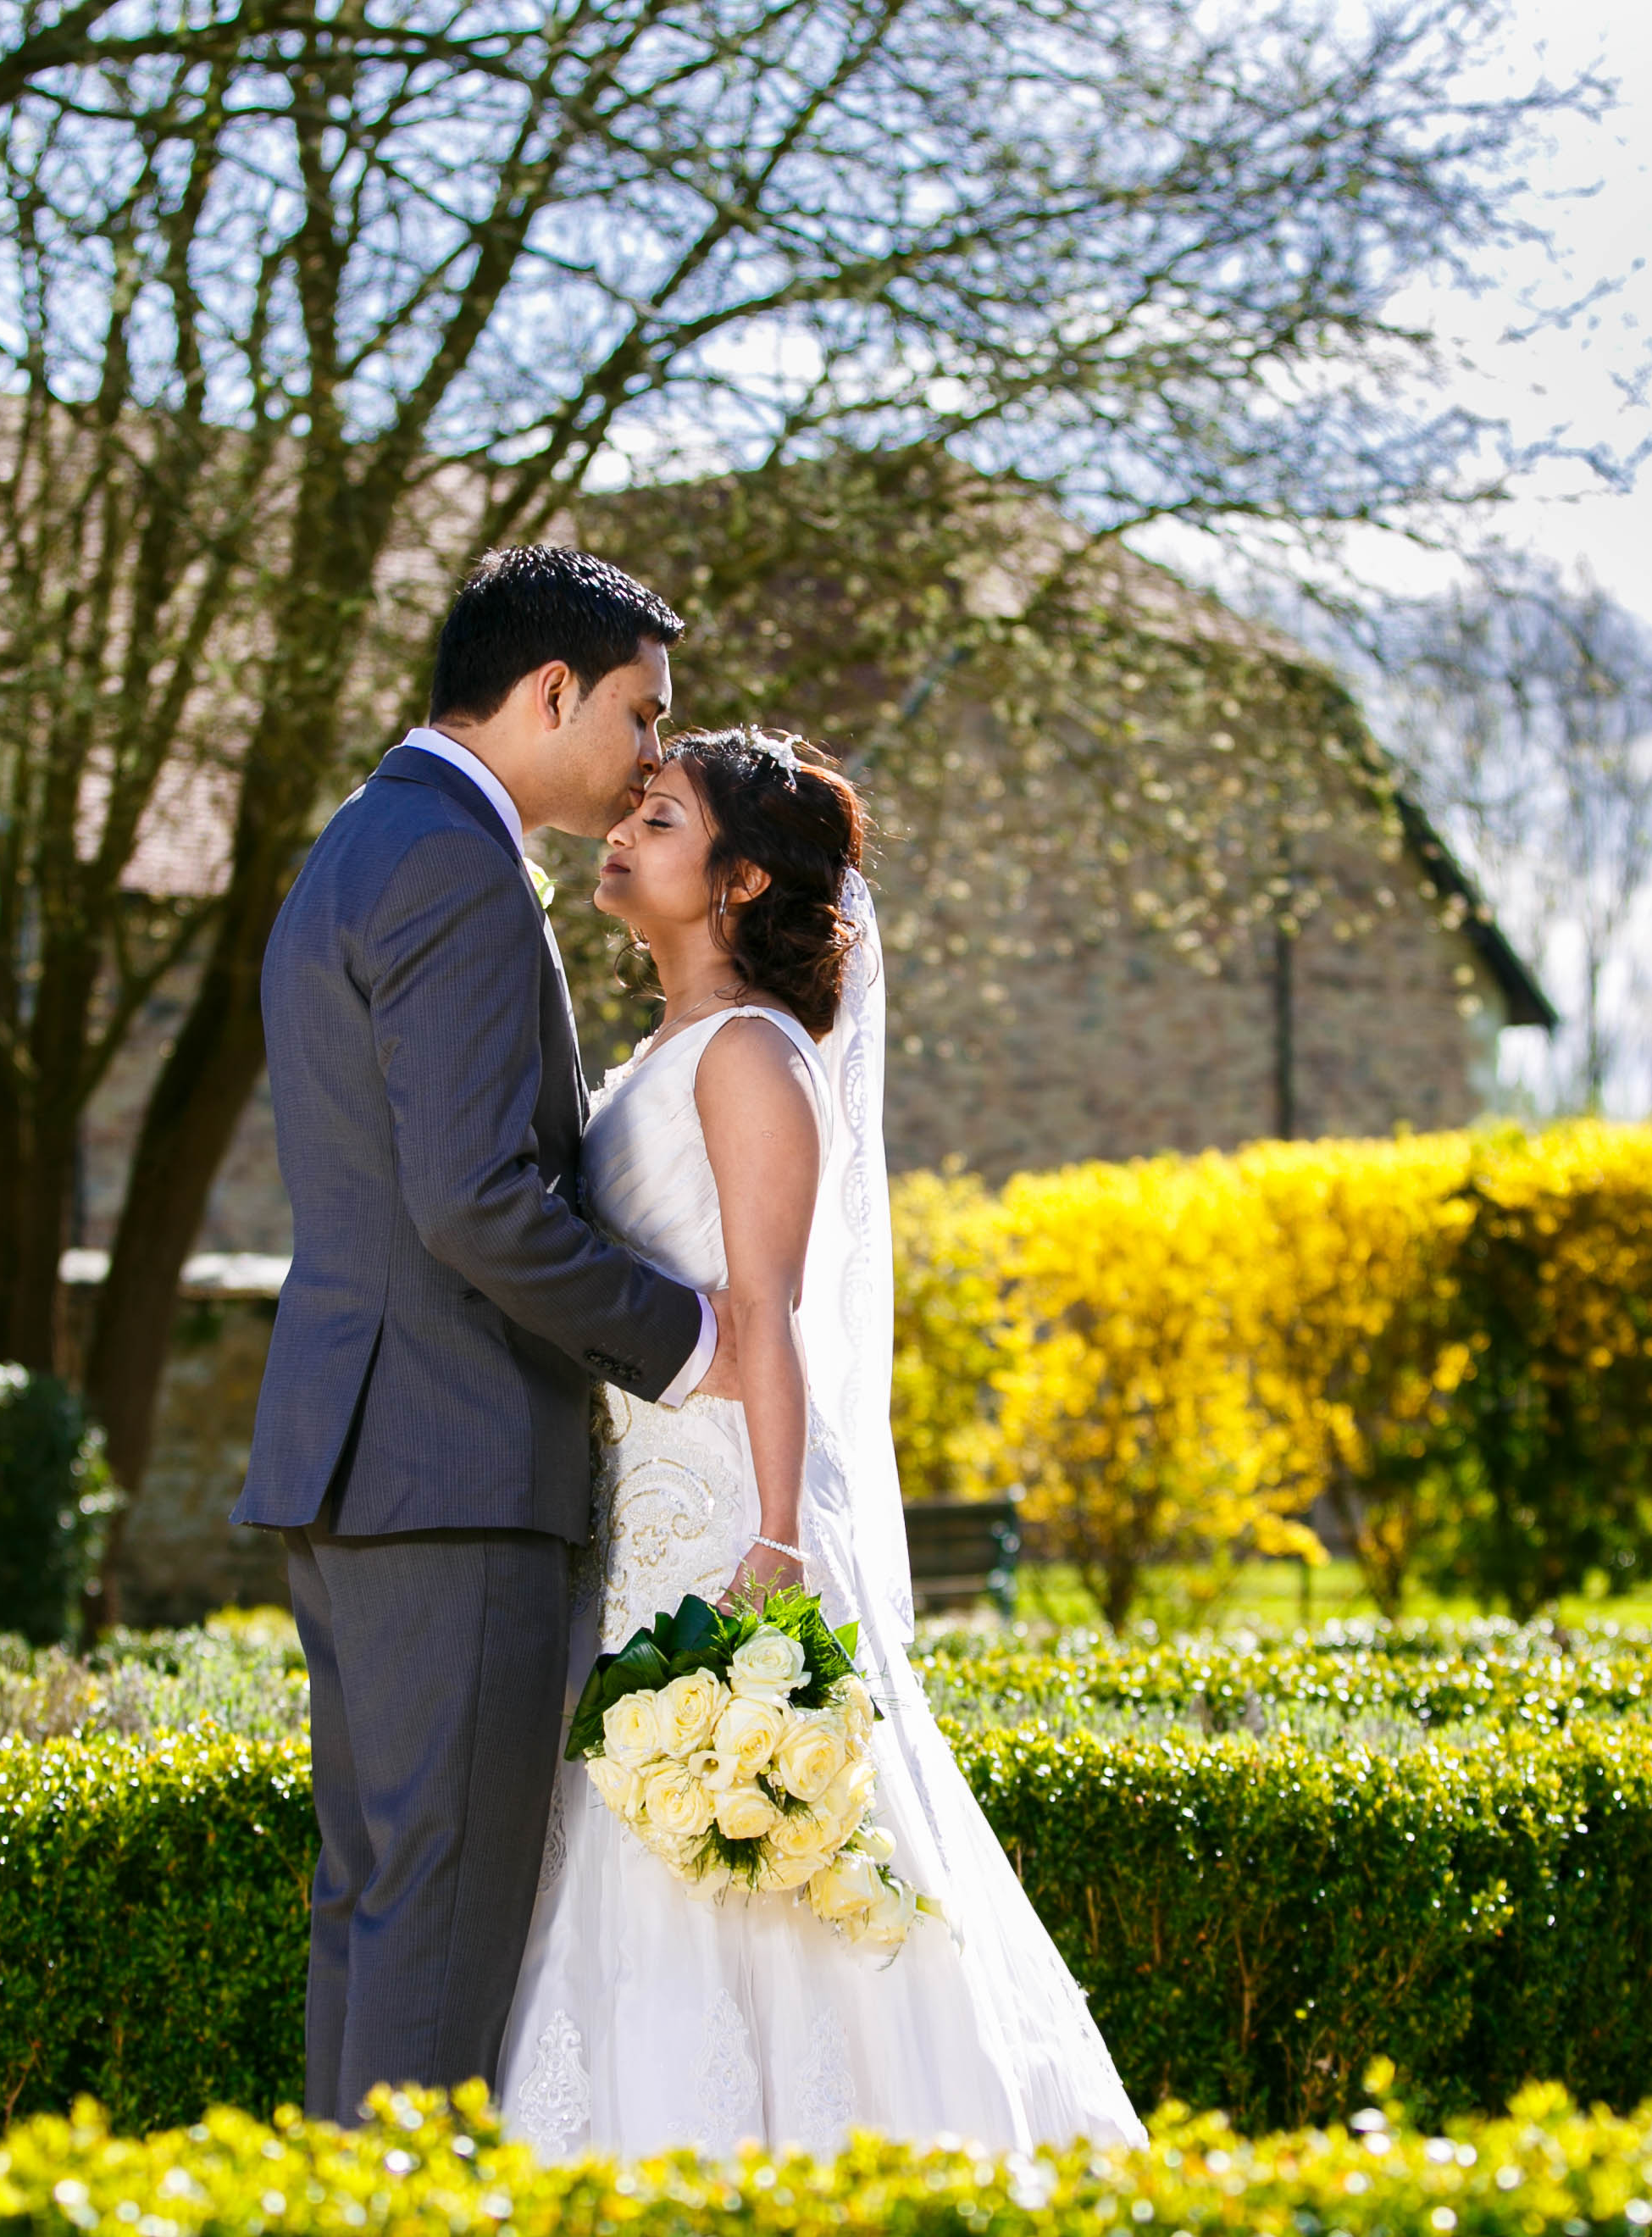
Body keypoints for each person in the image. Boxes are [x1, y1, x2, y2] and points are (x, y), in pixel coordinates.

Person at [495, 726, 1145, 2156]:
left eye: (658, 818)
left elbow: (768, 1317)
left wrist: (777, 1543)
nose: (621, 830)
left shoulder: (747, 1059)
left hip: (729, 1523)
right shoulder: (667, 1049)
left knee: (752, 1854)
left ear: (735, 883)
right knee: (636, 1853)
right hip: (639, 1510)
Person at [241, 547, 738, 2122]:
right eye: (643, 716)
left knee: (379, 1913)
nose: (655, 757)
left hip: (363, 1458)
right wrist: (686, 1338)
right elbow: (474, 1202)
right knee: (433, 1935)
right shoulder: (454, 862)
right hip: (448, 1464)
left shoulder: (367, 840)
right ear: (549, 692)